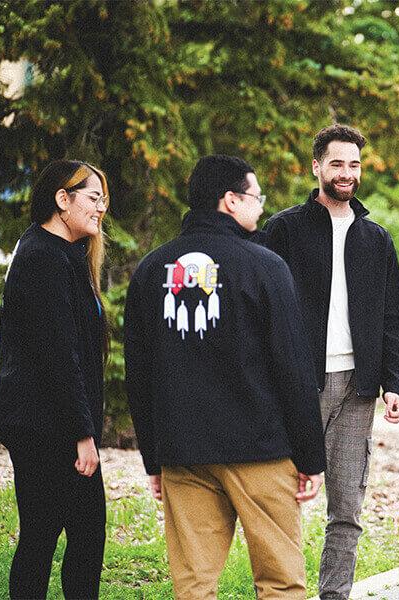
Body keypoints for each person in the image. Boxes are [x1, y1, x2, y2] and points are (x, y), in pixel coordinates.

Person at [124, 155, 326, 599]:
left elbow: (138, 375)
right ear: (231, 201)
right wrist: (311, 457)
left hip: (183, 449)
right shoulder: (265, 267)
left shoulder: (150, 272)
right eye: (257, 197)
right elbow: (294, 367)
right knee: (280, 582)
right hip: (260, 450)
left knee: (193, 584)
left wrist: (153, 457)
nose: (262, 207)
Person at [262, 124, 399, 599]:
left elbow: (394, 317)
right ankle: (285, 591)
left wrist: (395, 384)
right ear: (316, 167)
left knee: (346, 508)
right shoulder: (283, 230)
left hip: (359, 387)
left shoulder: (376, 238)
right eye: (337, 163)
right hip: (298, 385)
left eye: (354, 164)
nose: (347, 173)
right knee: (282, 500)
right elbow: (261, 310)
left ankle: (334, 595)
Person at [0, 160, 110, 599]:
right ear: (62, 199)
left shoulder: (62, 254)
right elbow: (58, 356)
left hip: (50, 420)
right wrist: (82, 433)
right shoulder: (43, 258)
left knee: (69, 535)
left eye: (102, 200)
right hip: (44, 425)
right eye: (93, 197)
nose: (101, 208)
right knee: (51, 536)